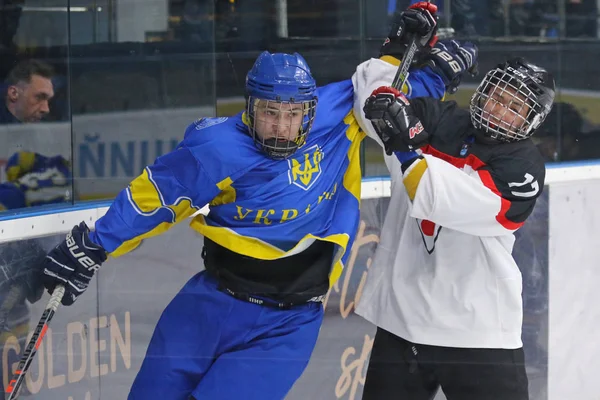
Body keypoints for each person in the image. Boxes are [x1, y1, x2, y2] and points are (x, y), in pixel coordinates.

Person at [34, 3, 478, 398]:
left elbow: (386, 94)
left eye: (293, 115)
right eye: (269, 112)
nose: (282, 127)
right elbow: (155, 197)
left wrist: (429, 67)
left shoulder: (335, 116)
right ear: (249, 107)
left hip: (286, 326)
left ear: (310, 109)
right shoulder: (218, 148)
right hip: (206, 305)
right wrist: (93, 247)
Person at [353, 41, 555, 399]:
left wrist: (404, 144)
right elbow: (373, 108)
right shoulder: (443, 118)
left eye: (514, 106)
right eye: (496, 95)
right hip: (404, 320)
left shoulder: (523, 167)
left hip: (477, 332)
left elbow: (438, 198)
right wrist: (400, 50)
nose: (499, 108)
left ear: (531, 120)